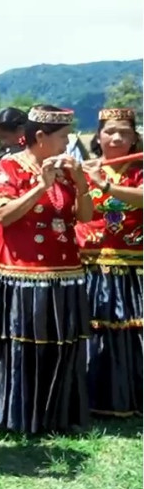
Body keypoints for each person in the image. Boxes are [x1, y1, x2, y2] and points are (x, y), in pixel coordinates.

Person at [0, 105, 93, 435]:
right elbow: (3, 215)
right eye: (62, 136)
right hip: (20, 271)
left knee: (60, 342)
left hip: (64, 270)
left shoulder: (69, 170)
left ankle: (56, 414)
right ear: (40, 137)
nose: (67, 141)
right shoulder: (8, 167)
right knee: (22, 343)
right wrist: (41, 186)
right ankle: (15, 415)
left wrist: (81, 181)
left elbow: (84, 217)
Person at [77, 107, 143, 418]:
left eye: (125, 132)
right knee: (95, 329)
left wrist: (103, 185)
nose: (117, 137)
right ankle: (93, 399)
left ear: (135, 138)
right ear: (98, 136)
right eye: (110, 131)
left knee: (131, 331)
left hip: (133, 265)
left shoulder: (140, 169)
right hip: (91, 264)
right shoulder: (84, 168)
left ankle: (132, 399)